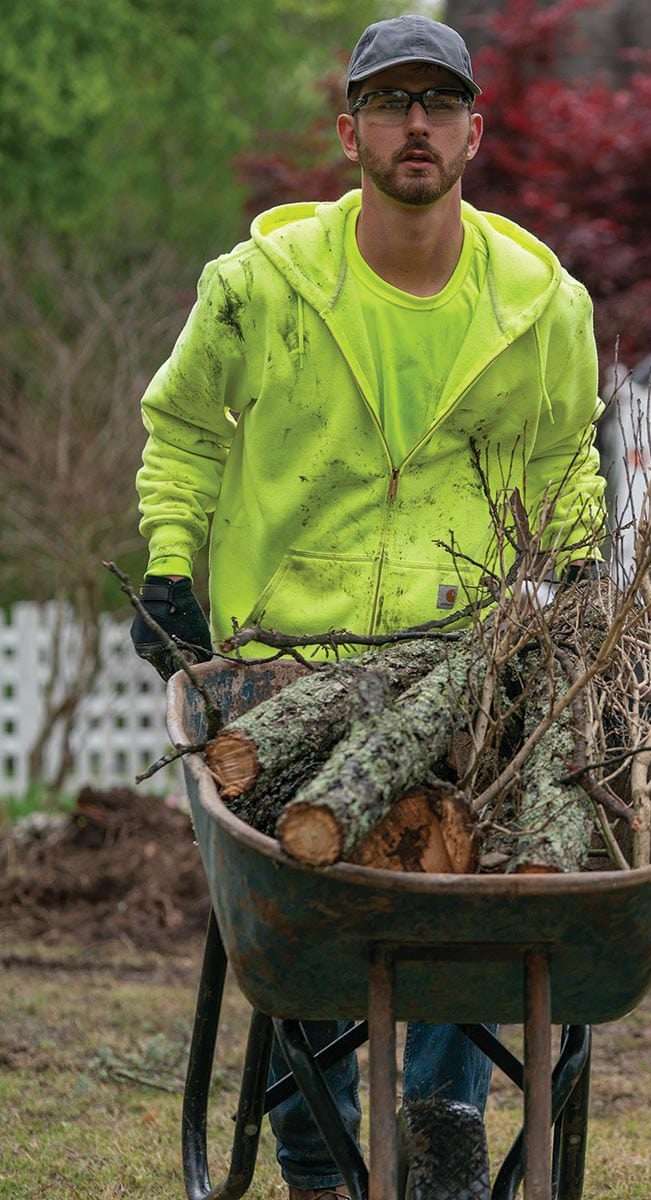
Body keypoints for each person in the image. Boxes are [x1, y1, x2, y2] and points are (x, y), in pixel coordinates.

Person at [130, 14, 606, 1199]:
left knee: (487, 868)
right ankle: (316, 1149)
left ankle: (445, 1107)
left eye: (437, 104)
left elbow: (565, 463)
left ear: (473, 132)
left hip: (459, 654)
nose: (414, 125)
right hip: (282, 654)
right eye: (390, 103)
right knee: (304, 914)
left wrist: (590, 574)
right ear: (348, 132)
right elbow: (181, 431)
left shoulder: (541, 305)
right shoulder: (259, 288)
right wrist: (171, 567)